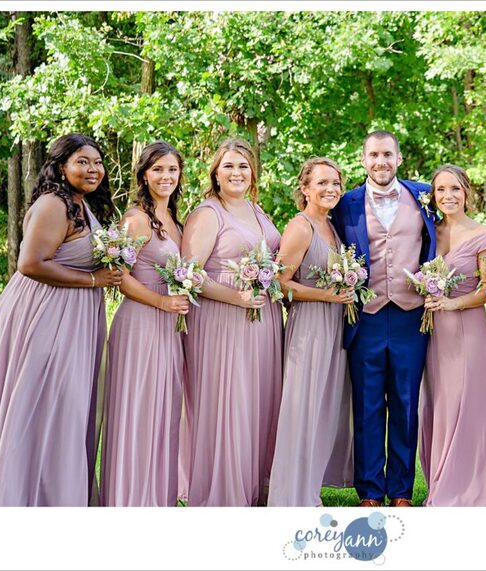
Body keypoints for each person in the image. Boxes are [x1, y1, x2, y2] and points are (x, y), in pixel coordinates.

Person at [0, 133, 122, 506]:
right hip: (46, 314)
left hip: (75, 315)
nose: (93, 169)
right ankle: (23, 495)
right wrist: (94, 279)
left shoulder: (81, 205)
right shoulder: (53, 204)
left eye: (98, 162)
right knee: (42, 400)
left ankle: (57, 493)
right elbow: (30, 264)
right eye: (82, 162)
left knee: (66, 405)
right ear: (60, 166)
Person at [331, 130, 436, 507]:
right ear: (363, 160)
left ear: (399, 158)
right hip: (367, 315)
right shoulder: (345, 203)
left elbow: (449, 233)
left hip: (412, 316)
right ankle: (371, 490)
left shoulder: (425, 196)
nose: (381, 162)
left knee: (407, 403)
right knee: (368, 403)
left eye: (387, 154)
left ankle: (402, 491)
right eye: (374, 155)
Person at [180, 138, 283, 506]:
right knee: (229, 402)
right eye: (229, 166)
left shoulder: (258, 211)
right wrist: (236, 296)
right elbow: (187, 273)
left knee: (258, 400)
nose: (237, 172)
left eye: (243, 166)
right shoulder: (208, 213)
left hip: (263, 319)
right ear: (215, 173)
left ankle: (255, 486)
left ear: (253, 173)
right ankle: (223, 491)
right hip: (222, 320)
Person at [420, 165, 486, 506]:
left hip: (468, 328)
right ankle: (444, 479)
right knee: (441, 401)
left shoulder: (483, 236)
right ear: (433, 196)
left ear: (466, 192)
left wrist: (454, 304)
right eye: (440, 190)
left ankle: (481, 483)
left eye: (454, 189)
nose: (448, 196)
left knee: (471, 401)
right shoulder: (428, 233)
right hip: (433, 333)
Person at [99, 141, 189, 506]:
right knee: (138, 412)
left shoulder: (174, 218)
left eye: (172, 170)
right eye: (158, 170)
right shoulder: (135, 218)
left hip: (169, 328)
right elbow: (119, 276)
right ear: (143, 175)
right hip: (141, 324)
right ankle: (131, 498)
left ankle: (157, 498)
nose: (166, 176)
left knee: (164, 413)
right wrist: (163, 301)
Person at [267, 157, 354, 506]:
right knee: (301, 410)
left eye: (335, 183)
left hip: (335, 327)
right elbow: (278, 282)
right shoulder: (301, 227)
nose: (331, 189)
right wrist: (325, 295)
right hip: (310, 327)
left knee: (322, 409)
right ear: (305, 188)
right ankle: (290, 495)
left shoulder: (332, 227)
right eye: (322, 183)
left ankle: (309, 488)